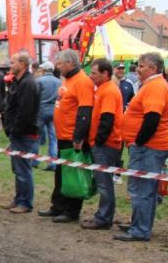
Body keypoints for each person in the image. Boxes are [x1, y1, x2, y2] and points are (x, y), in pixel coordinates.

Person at [115, 52, 168, 241]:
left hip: (149, 147)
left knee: (142, 189)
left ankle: (140, 229)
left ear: (153, 68)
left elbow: (152, 119)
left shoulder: (155, 87)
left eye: (141, 66)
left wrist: (138, 141)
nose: (137, 70)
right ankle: (139, 223)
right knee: (144, 188)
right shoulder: (153, 85)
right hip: (150, 146)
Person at [38, 49, 94, 223]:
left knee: (73, 175)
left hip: (72, 137)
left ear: (70, 63)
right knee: (61, 173)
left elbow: (85, 111)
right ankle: (58, 206)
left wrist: (78, 138)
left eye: (60, 63)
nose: (58, 66)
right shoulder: (67, 79)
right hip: (62, 135)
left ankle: (71, 211)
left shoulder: (82, 81)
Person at [81, 58, 123, 230]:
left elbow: (107, 118)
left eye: (94, 73)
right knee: (103, 182)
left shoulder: (109, 91)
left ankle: (104, 218)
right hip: (102, 143)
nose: (91, 76)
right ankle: (103, 216)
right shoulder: (103, 88)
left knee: (104, 183)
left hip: (106, 144)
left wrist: (98, 142)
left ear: (105, 73)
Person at [2, 50, 40, 213]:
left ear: (22, 64)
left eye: (13, 62)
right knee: (17, 169)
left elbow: (25, 111)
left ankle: (25, 202)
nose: (10, 65)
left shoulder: (28, 84)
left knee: (23, 169)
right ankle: (19, 199)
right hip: (17, 132)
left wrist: (14, 130)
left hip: (24, 133)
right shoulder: (18, 82)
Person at [34, 60, 61, 170]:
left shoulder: (39, 81)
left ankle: (34, 161)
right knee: (53, 138)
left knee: (36, 136)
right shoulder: (59, 82)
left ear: (44, 70)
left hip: (41, 111)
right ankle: (53, 163)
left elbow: (35, 96)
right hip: (54, 111)